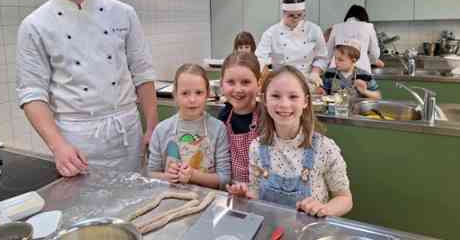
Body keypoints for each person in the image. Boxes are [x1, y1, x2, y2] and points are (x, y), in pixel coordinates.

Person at [16, 0, 158, 177]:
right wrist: (58, 146)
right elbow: (32, 93)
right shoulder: (35, 25)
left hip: (127, 130)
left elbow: (142, 72)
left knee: (137, 202)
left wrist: (152, 126)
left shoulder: (123, 13)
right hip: (76, 139)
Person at [227, 66, 353, 217]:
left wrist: (325, 209)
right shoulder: (256, 147)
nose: (284, 104)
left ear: (305, 102)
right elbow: (255, 193)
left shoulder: (325, 147)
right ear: (264, 100)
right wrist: (245, 198)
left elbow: (345, 199)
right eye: (275, 96)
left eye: (293, 97)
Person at [148, 64, 231, 189]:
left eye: (199, 92)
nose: (192, 99)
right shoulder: (161, 130)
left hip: (209, 199)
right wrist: (167, 177)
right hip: (171, 198)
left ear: (208, 94)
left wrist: (193, 175)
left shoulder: (218, 129)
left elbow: (224, 179)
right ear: (175, 95)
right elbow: (150, 174)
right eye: (185, 93)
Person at [255, 0, 328, 89]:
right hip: (280, 83)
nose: (296, 19)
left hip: (306, 82)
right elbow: (260, 58)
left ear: (304, 12)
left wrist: (315, 73)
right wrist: (266, 77)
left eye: (299, 15)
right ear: (284, 13)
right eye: (291, 15)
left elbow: (321, 57)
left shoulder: (314, 30)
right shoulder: (271, 33)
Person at [217, 52, 261, 182]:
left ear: (259, 84)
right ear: (221, 84)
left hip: (261, 192)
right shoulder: (223, 117)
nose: (238, 89)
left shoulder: (267, 116)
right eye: (231, 82)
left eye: (245, 82)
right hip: (231, 189)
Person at [327, 5, 383, 73]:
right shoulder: (369, 27)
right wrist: (370, 60)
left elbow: (328, 54)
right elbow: (375, 54)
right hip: (361, 70)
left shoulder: (336, 27)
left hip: (336, 71)